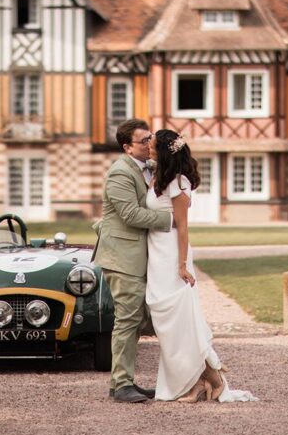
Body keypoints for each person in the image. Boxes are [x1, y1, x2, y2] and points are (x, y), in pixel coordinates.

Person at [145, 128, 258, 403]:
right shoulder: (159, 175)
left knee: (180, 321)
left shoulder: (178, 182)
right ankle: (196, 384)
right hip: (156, 253)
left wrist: (182, 265)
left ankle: (215, 379)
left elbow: (183, 227)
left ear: (162, 149)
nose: (147, 145)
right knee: (165, 321)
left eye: (151, 142)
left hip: (172, 254)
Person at [92, 118, 172, 403]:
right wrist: (171, 219)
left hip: (138, 256)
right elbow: (132, 216)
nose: (150, 143)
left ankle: (123, 381)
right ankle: (121, 384)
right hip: (121, 257)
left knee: (137, 318)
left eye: (150, 137)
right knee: (128, 319)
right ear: (127, 147)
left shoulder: (146, 167)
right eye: (144, 140)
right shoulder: (120, 174)